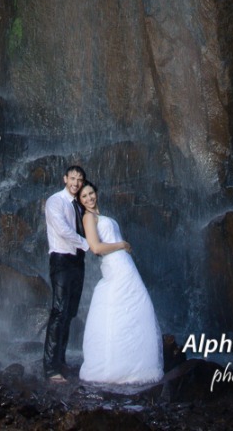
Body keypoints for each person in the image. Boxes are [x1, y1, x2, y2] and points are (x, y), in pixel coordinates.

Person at [78, 181, 163, 386]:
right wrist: (121, 244)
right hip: (115, 265)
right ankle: (111, 367)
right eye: (84, 196)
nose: (89, 198)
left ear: (96, 193)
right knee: (117, 310)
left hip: (126, 266)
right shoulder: (88, 217)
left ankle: (135, 364)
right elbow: (96, 248)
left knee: (135, 309)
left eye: (91, 193)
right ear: (80, 201)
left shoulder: (100, 215)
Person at [43, 164, 90, 381]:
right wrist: (87, 243)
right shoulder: (55, 201)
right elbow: (62, 229)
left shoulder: (78, 205)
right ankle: (50, 367)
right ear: (65, 179)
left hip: (77, 261)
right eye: (72, 178)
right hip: (61, 260)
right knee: (59, 311)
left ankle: (61, 361)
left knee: (70, 313)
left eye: (79, 180)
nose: (76, 183)